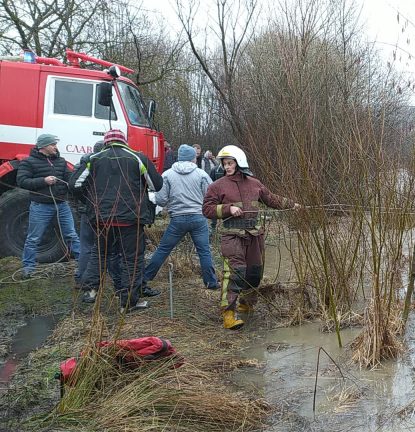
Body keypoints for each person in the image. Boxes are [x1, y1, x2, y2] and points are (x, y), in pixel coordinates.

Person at [202, 145, 301, 330]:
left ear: (239, 163)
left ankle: (246, 304)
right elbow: (206, 209)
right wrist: (227, 209)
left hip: (254, 236)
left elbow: (272, 199)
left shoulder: (255, 183)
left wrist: (292, 204)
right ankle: (229, 314)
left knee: (254, 273)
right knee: (235, 273)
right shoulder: (217, 186)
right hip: (232, 236)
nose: (226, 167)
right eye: (224, 164)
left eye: (230, 163)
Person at [70, 129, 163, 313]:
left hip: (101, 218)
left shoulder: (93, 159)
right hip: (131, 219)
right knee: (131, 260)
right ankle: (128, 303)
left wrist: (90, 203)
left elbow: (74, 185)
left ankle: (90, 290)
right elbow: (156, 185)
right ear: (124, 142)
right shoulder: (137, 158)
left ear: (106, 142)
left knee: (99, 254)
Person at [143, 144, 219, 290]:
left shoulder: (167, 175)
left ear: (178, 157)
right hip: (198, 218)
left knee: (163, 250)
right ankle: (211, 282)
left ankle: (145, 278)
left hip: (177, 219)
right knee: (204, 251)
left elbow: (161, 200)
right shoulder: (201, 174)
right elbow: (210, 196)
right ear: (193, 158)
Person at [16, 133, 80, 277]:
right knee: (33, 238)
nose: (55, 147)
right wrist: (43, 181)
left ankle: (82, 264)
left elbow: (69, 180)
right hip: (40, 206)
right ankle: (28, 268)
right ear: (43, 146)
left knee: (71, 235)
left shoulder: (61, 161)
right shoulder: (28, 162)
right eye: (53, 144)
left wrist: (70, 186)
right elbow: (22, 182)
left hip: (62, 205)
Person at [74, 140, 122, 296]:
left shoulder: (82, 164)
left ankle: (83, 280)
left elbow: (74, 186)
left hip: (86, 211)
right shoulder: (101, 166)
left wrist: (84, 202)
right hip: (99, 213)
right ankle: (116, 282)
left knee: (87, 247)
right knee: (107, 249)